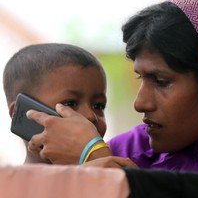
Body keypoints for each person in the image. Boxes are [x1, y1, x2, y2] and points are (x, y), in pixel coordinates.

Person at [26, 0, 198, 175]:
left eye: (161, 81)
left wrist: (101, 169)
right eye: (141, 78)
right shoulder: (130, 150)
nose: (140, 103)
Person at [3, 43, 136, 167]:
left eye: (98, 106)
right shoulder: (7, 186)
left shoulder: (117, 171)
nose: (90, 116)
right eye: (70, 103)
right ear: (20, 113)